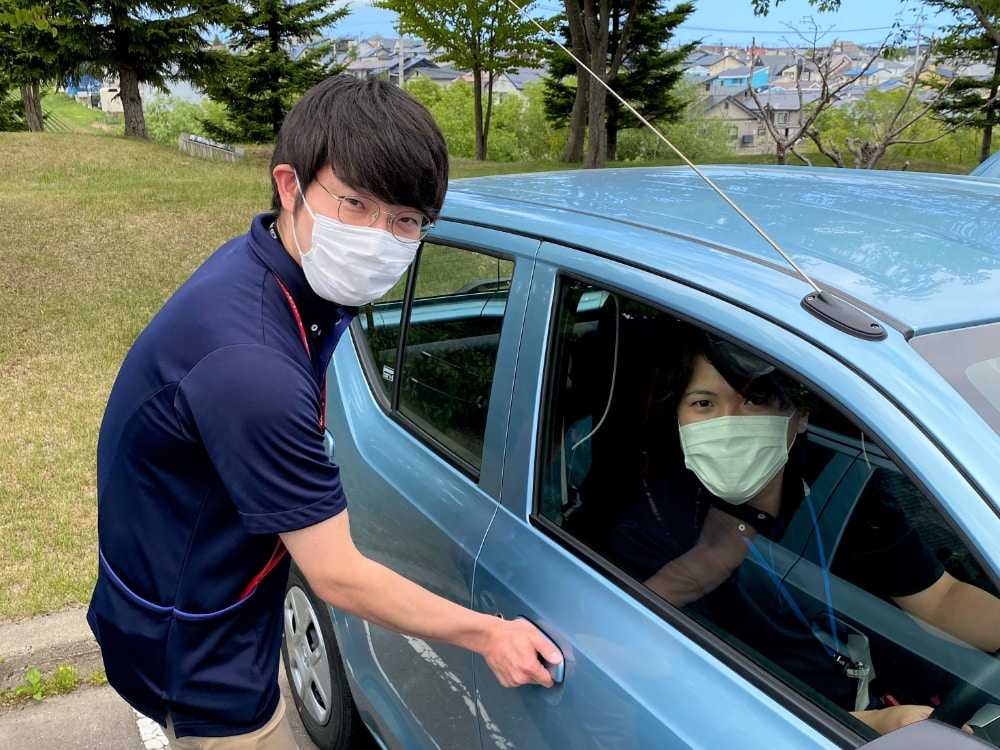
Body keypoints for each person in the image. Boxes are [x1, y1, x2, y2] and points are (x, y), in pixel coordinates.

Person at [87, 75, 560, 749]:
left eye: (405, 220)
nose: (380, 237)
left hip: (181, 578)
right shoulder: (252, 366)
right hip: (200, 654)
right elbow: (336, 575)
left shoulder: (269, 265)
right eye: (356, 204)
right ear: (290, 186)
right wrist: (489, 634)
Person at [610, 331, 1000, 737]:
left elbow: (940, 598)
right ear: (677, 415)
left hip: (876, 702)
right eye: (704, 404)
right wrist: (872, 726)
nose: (730, 422)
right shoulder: (653, 529)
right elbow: (693, 699)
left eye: (755, 399)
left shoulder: (839, 486)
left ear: (800, 416)